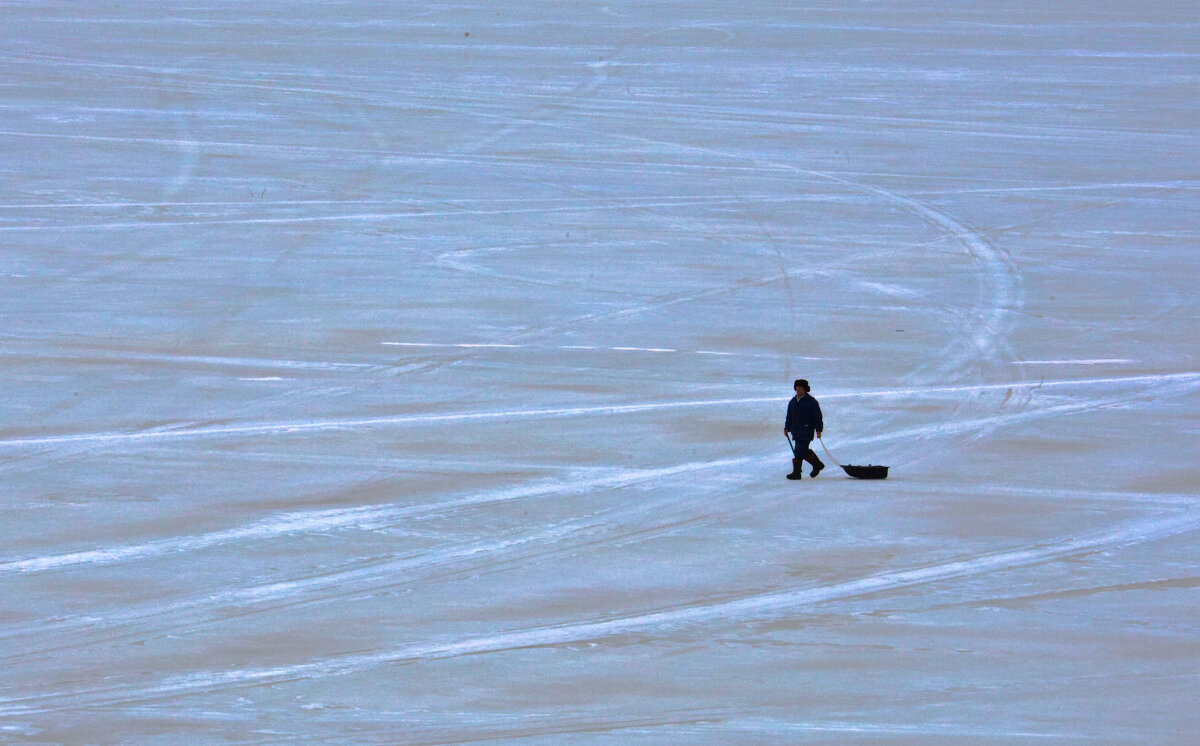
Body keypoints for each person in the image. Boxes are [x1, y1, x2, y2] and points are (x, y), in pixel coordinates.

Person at [784, 379, 825, 480]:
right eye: (796, 388)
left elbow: (817, 417)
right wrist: (787, 427)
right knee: (802, 450)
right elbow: (789, 416)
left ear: (805, 389)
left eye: (800, 388)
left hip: (806, 430)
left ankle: (797, 472)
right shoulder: (792, 402)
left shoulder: (811, 402)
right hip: (796, 431)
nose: (798, 390)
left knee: (799, 450)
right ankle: (817, 465)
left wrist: (818, 430)